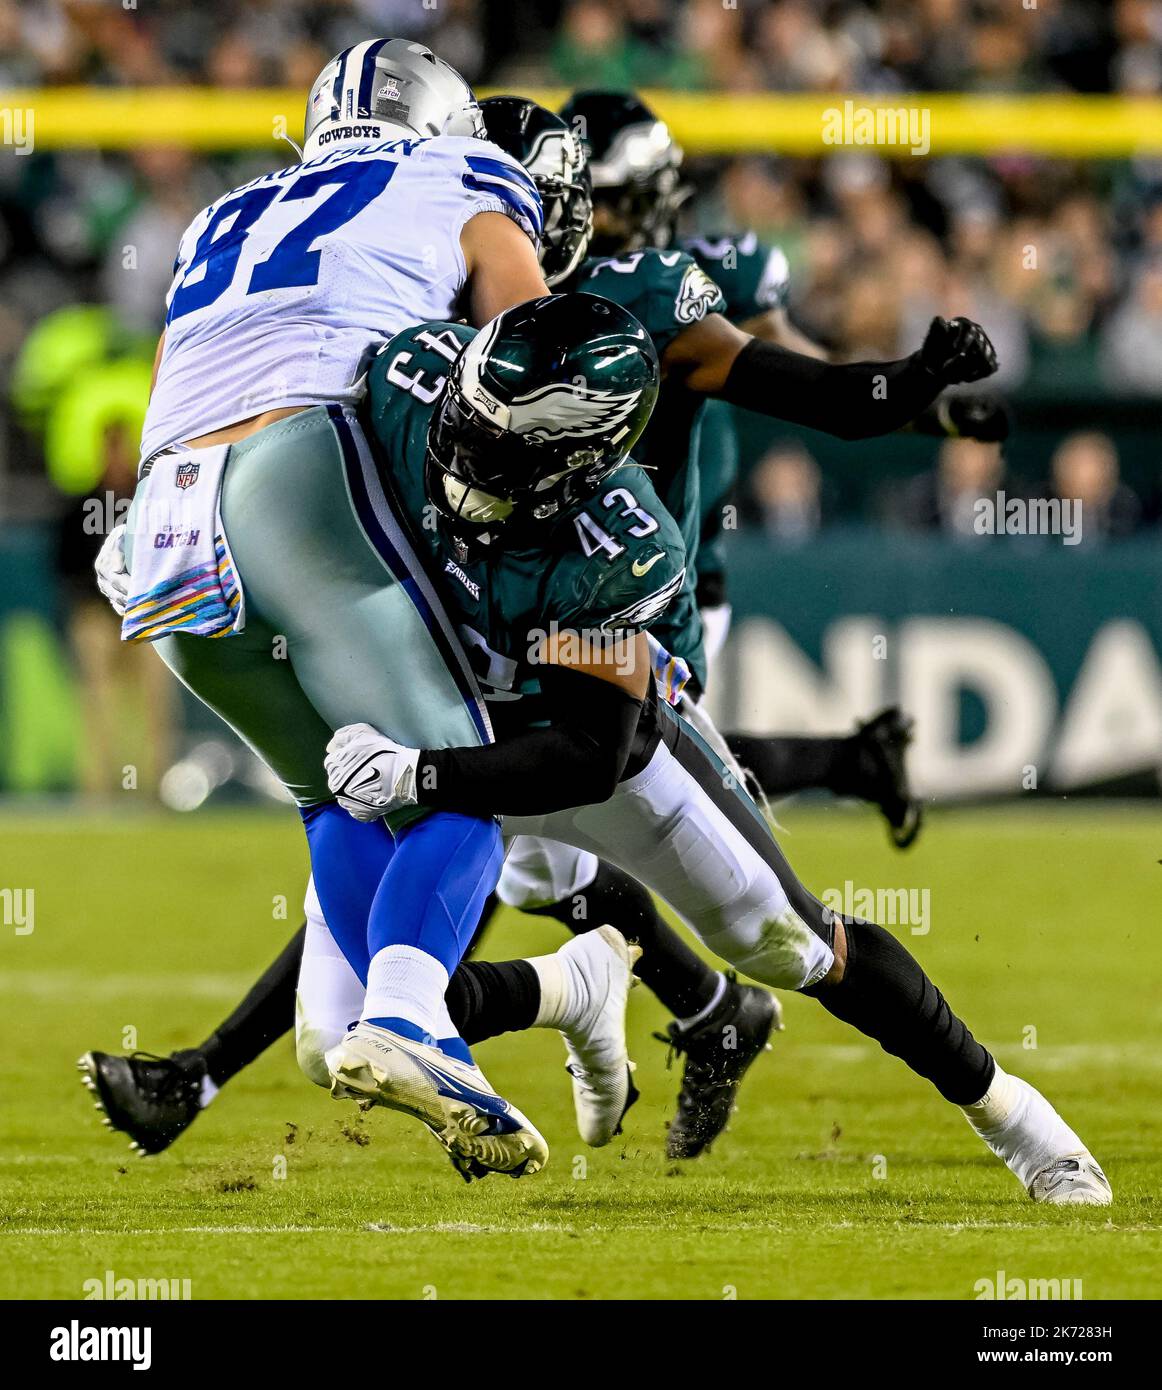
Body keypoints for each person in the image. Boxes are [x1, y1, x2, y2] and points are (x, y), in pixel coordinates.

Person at [321, 297, 1111, 1207]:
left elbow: (590, 756)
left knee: (795, 947)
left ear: (577, 464)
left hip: (596, 764)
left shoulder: (612, 547)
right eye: (467, 429)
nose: (460, 466)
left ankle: (1021, 1123)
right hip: (463, 740)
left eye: (501, 453)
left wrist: (421, 773)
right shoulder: (410, 385)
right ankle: (577, 990)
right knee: (341, 1026)